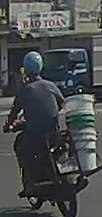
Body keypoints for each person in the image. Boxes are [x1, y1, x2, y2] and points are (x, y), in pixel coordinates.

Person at [4, 52, 66, 195]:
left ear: (25, 69)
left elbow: (14, 113)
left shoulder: (25, 90)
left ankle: (29, 181)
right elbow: (62, 103)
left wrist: (8, 126)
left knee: (20, 146)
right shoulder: (50, 85)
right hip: (54, 133)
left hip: (35, 136)